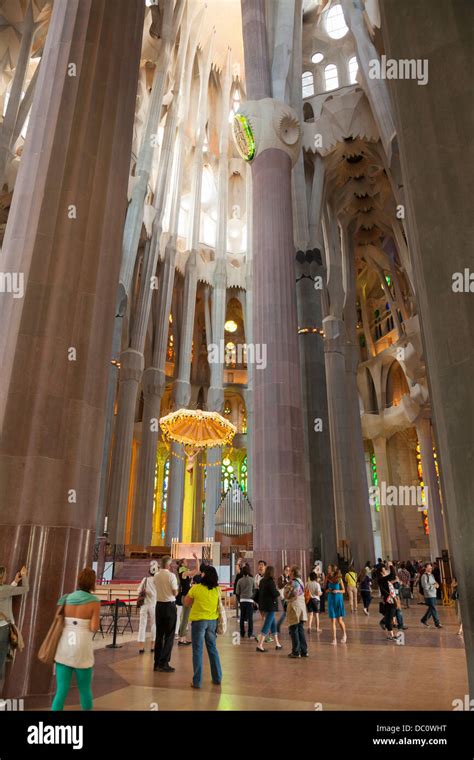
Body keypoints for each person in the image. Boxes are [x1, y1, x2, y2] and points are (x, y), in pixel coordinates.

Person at [52, 567, 100, 710]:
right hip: (82, 647)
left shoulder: (66, 598)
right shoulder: (94, 601)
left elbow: (57, 619)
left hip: (65, 645)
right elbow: (94, 627)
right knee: (85, 690)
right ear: (93, 583)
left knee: (61, 691)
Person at [184, 565, 222, 689]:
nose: (201, 574)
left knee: (198, 651)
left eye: (203, 573)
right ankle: (217, 677)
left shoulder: (196, 588)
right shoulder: (217, 590)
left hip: (198, 622)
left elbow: (186, 602)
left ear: (205, 575)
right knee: (212, 649)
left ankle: (197, 681)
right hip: (212, 622)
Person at [0, 564, 29, 694]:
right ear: (2, 577)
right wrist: (24, 576)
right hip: (3, 629)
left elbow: (6, 593)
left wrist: (15, 581)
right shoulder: (4, 589)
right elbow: (25, 589)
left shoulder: (5, 590)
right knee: (0, 665)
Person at [153, 556, 178, 672]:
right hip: (169, 606)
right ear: (169, 565)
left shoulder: (156, 576)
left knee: (159, 635)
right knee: (169, 635)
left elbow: (156, 587)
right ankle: (164, 663)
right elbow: (175, 592)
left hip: (159, 606)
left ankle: (157, 662)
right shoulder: (171, 576)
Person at [256, 566, 282, 652]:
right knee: (267, 625)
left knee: (273, 625)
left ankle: (277, 644)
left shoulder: (262, 581)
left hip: (264, 606)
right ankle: (260, 644)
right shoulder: (271, 582)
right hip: (270, 606)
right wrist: (278, 591)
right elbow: (274, 593)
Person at [285, 567, 308, 658]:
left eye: (290, 571)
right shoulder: (301, 581)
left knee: (293, 629)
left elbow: (289, 595)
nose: (289, 573)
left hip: (294, 607)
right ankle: (304, 651)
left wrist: (286, 594)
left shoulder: (293, 582)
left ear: (293, 572)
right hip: (301, 607)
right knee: (300, 629)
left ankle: (295, 652)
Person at [176, 554, 199, 646]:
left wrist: (197, 560)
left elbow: (196, 571)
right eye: (185, 561)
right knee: (185, 618)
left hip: (186, 596)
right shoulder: (183, 572)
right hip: (185, 597)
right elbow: (196, 571)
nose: (187, 562)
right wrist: (197, 559)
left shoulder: (184, 571)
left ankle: (183, 638)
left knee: (185, 618)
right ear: (182, 563)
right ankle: (181, 639)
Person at [136, 562, 157, 654]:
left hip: (144, 605)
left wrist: (146, 592)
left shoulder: (145, 580)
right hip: (154, 605)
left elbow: (138, 591)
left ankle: (141, 647)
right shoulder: (158, 580)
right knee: (154, 625)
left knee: (142, 625)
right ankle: (153, 646)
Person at [377, 562, 401, 642]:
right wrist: (390, 565)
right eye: (384, 570)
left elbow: (390, 583)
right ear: (381, 572)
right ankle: (391, 635)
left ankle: (390, 634)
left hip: (390, 600)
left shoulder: (383, 579)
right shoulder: (382, 579)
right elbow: (393, 574)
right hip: (389, 601)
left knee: (389, 617)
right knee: (389, 617)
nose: (386, 571)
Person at [326, 565, 347, 645]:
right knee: (333, 620)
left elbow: (344, 591)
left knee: (339, 620)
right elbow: (326, 589)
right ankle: (334, 639)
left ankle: (344, 634)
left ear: (333, 570)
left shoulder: (339, 579)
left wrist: (337, 591)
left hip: (338, 600)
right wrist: (328, 590)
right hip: (331, 600)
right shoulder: (328, 578)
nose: (327, 569)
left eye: (329, 568)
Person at [420, 563, 442, 628]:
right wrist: (434, 586)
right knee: (433, 608)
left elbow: (434, 582)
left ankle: (424, 620)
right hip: (428, 595)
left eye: (431, 568)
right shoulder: (424, 576)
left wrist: (437, 584)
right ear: (425, 568)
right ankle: (437, 623)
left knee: (431, 609)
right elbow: (425, 586)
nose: (430, 569)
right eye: (429, 568)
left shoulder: (431, 575)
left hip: (433, 594)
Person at [235, 565, 255, 639]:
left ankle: (242, 633)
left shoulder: (240, 580)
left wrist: (240, 598)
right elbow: (254, 590)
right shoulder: (252, 580)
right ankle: (250, 633)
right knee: (250, 618)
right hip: (250, 600)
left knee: (242, 617)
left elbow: (237, 592)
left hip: (242, 600)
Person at [276, 565, 290, 632]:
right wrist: (286, 582)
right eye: (286, 570)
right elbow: (279, 586)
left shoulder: (289, 577)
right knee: (286, 613)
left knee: (287, 613)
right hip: (283, 597)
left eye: (288, 570)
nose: (288, 571)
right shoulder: (280, 577)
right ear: (284, 570)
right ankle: (278, 626)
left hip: (289, 597)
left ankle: (278, 626)